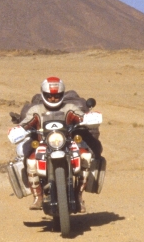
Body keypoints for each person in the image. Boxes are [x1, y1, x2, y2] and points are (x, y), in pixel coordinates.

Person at [9, 77, 103, 207]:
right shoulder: (35, 110)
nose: (53, 99)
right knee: (30, 162)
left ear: (62, 94)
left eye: (57, 96)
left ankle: (79, 195)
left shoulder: (70, 108)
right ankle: (38, 197)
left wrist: (89, 117)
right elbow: (26, 123)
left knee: (86, 156)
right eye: (49, 96)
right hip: (43, 144)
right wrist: (19, 129)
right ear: (44, 94)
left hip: (67, 143)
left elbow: (80, 116)